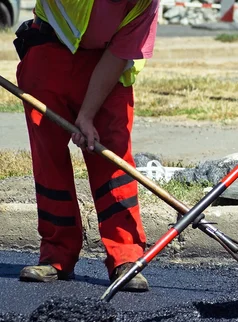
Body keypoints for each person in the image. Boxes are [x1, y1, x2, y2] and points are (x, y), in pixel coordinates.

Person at [14, 0, 160, 292]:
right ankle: (56, 253)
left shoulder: (146, 3)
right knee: (49, 158)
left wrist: (88, 113)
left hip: (106, 62)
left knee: (113, 157)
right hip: (49, 52)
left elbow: (120, 52)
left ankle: (126, 256)